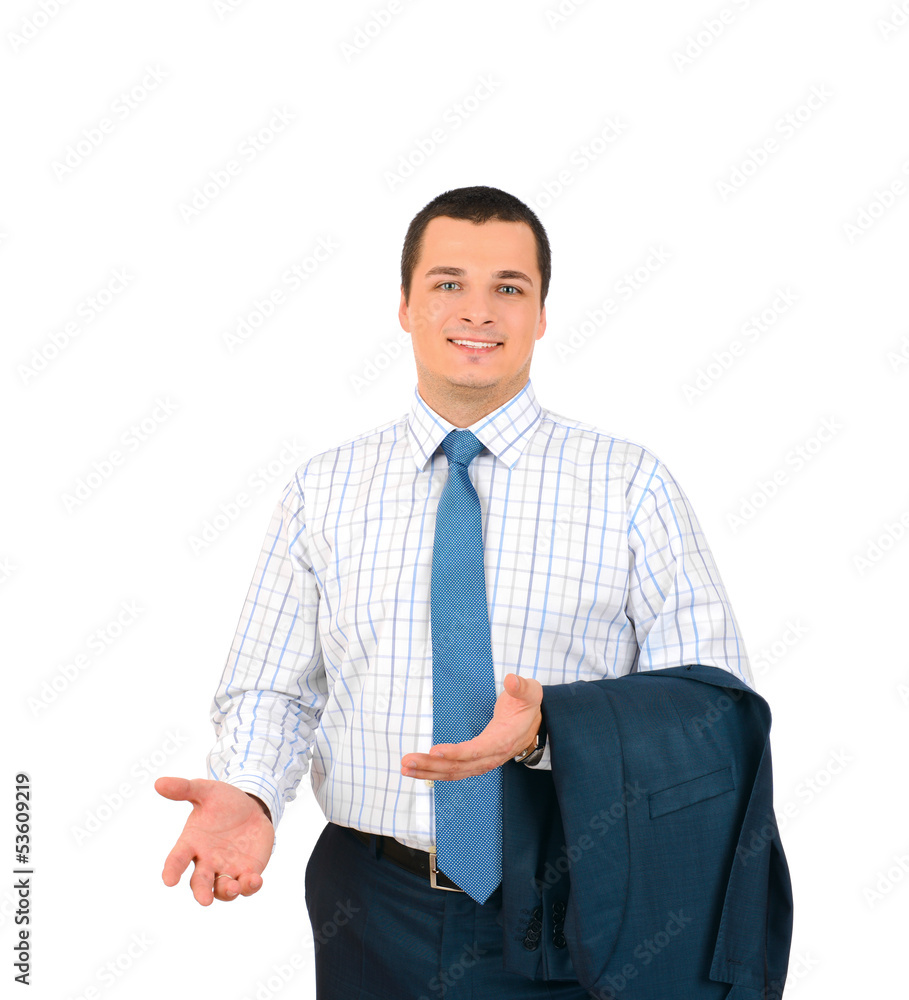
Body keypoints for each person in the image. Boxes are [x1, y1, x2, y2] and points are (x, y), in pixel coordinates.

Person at [156, 185, 755, 998]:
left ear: (541, 314)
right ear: (405, 306)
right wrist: (251, 791)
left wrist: (553, 728)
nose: (478, 310)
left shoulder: (630, 486)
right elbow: (274, 687)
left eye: (509, 287)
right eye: (448, 284)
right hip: (368, 905)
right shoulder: (323, 490)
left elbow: (709, 709)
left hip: (569, 907)